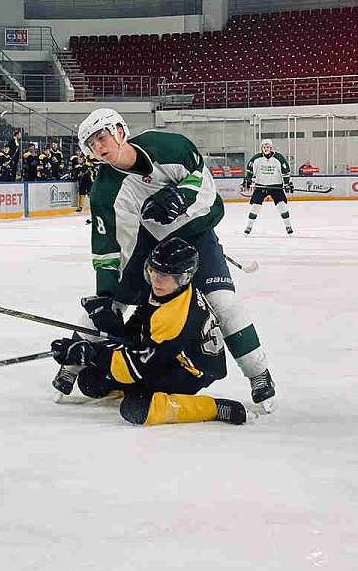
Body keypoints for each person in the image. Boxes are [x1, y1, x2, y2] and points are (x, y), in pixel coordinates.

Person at [60, 107, 277, 414]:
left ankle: (259, 374)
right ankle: (70, 367)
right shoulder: (105, 190)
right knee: (106, 303)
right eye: (91, 144)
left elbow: (206, 187)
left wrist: (180, 196)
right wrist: (109, 292)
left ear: (120, 131)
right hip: (151, 243)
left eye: (101, 137)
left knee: (223, 302)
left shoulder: (168, 146)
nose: (98, 147)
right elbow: (109, 245)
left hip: (198, 234)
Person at [51, 238, 249, 425]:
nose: (156, 280)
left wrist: (91, 354)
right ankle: (139, 388)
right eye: (153, 270)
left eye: (164, 275)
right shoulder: (166, 289)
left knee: (137, 408)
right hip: (167, 353)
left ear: (184, 277)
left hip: (189, 371)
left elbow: (135, 367)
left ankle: (214, 408)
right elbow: (142, 326)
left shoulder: (175, 317)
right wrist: (112, 324)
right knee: (91, 382)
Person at [243, 139, 294, 236]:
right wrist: (247, 180)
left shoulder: (279, 158)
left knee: (282, 206)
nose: (266, 149)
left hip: (276, 187)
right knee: (255, 207)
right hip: (260, 186)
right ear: (261, 148)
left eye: (268, 147)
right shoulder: (256, 158)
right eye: (264, 147)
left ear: (271, 148)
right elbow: (249, 170)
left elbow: (285, 171)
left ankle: (288, 226)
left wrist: (287, 183)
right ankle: (249, 226)